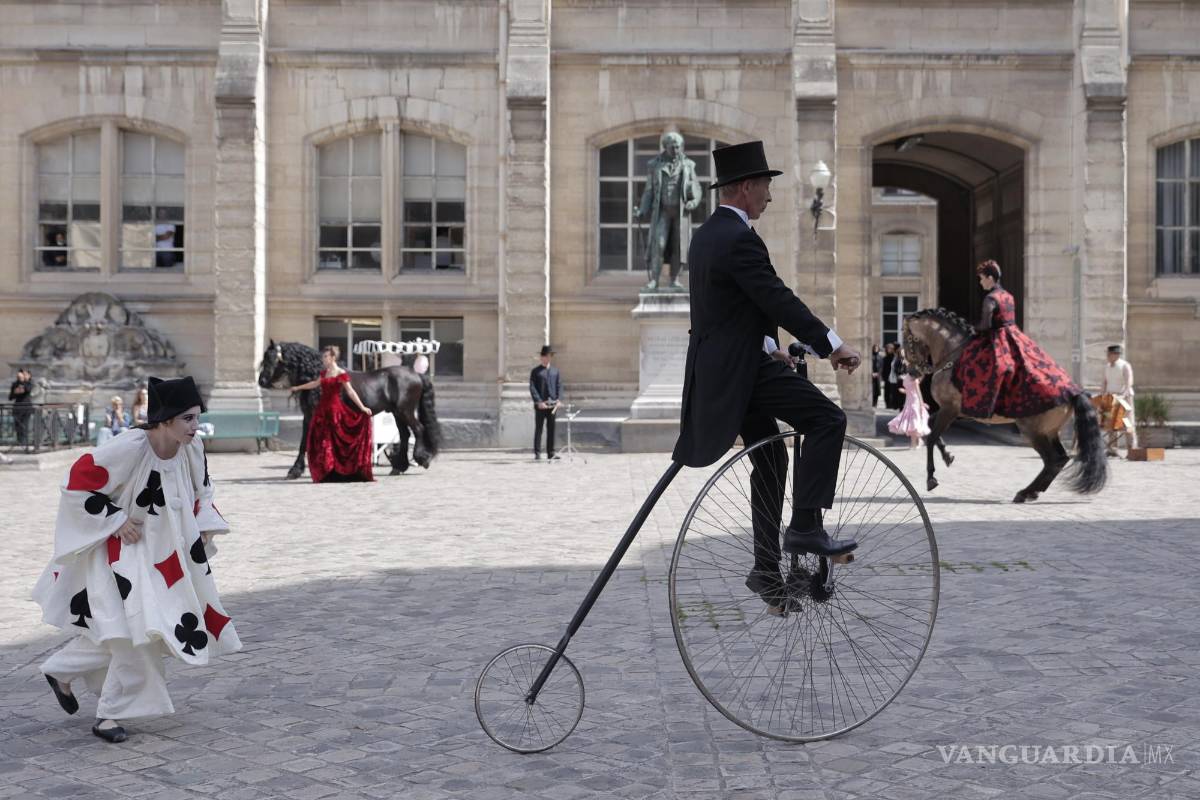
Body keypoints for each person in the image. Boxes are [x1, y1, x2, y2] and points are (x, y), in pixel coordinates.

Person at [672, 141, 862, 611]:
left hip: (730, 368)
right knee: (827, 420)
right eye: (765, 187)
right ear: (743, 187)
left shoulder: (707, 236)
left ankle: (765, 570)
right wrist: (831, 344)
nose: (769, 197)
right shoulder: (739, 239)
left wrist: (772, 347)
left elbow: (733, 310)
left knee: (773, 461)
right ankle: (804, 527)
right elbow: (776, 298)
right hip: (743, 372)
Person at [32, 376, 240, 744]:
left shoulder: (193, 447)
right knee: (138, 631)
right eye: (188, 419)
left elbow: (203, 492)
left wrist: (204, 527)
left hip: (171, 555)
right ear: (164, 420)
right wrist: (116, 519)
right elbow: (77, 484)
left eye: (197, 418)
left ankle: (60, 670)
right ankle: (110, 714)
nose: (196, 426)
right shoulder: (129, 447)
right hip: (124, 557)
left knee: (123, 627)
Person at [954, 260, 1078, 418]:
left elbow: (985, 325)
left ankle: (985, 406)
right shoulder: (1008, 296)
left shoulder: (990, 298)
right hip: (1015, 336)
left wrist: (971, 327)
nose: (980, 282)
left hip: (998, 338)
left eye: (982, 278)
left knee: (973, 364)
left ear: (990, 278)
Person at [290, 345, 374, 482]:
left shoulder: (341, 373)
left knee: (335, 443)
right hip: (322, 410)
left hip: (336, 411)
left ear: (333, 357)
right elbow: (315, 384)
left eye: (326, 357)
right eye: (323, 357)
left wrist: (362, 407)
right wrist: (298, 387)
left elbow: (350, 391)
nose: (323, 359)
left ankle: (339, 471)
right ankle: (326, 471)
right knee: (322, 442)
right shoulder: (324, 373)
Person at [635, 131, 702, 292]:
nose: (676, 150)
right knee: (659, 244)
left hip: (681, 213)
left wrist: (694, 201)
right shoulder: (654, 165)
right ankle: (655, 281)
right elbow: (649, 191)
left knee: (678, 246)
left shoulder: (688, 165)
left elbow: (696, 188)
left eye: (678, 147)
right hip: (662, 212)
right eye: (673, 147)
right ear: (665, 147)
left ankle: (674, 280)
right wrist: (642, 210)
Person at [1100, 344, 1137, 454]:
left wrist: (1124, 393)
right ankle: (1112, 448)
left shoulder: (1125, 365)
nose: (1107, 356)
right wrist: (1102, 394)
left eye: (1109, 354)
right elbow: (1104, 382)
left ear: (1115, 355)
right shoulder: (1106, 367)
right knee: (1110, 424)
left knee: (1127, 423)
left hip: (1123, 397)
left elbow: (1129, 381)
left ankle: (1131, 448)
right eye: (1107, 354)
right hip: (1110, 398)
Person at [529, 345, 562, 460]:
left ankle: (551, 453)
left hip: (552, 405)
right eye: (545, 356)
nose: (547, 358)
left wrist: (558, 399)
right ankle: (537, 453)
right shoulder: (535, 372)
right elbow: (532, 388)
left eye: (549, 356)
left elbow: (559, 386)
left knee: (551, 429)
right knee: (539, 429)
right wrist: (538, 401)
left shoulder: (555, 371)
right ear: (541, 357)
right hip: (541, 406)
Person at [888, 362, 931, 448]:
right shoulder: (911, 379)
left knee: (913, 422)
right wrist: (905, 391)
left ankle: (914, 443)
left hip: (913, 401)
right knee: (912, 422)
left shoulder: (909, 378)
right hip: (910, 400)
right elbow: (916, 392)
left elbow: (917, 392)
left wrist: (922, 404)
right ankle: (917, 441)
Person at [9, 368, 33, 446]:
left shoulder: (29, 383)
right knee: (17, 427)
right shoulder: (15, 384)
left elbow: (27, 389)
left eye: (26, 374)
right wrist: (16, 391)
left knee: (24, 426)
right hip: (17, 408)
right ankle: (19, 443)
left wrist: (23, 382)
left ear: (29, 376)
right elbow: (11, 397)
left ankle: (24, 445)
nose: (24, 375)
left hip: (26, 409)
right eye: (22, 374)